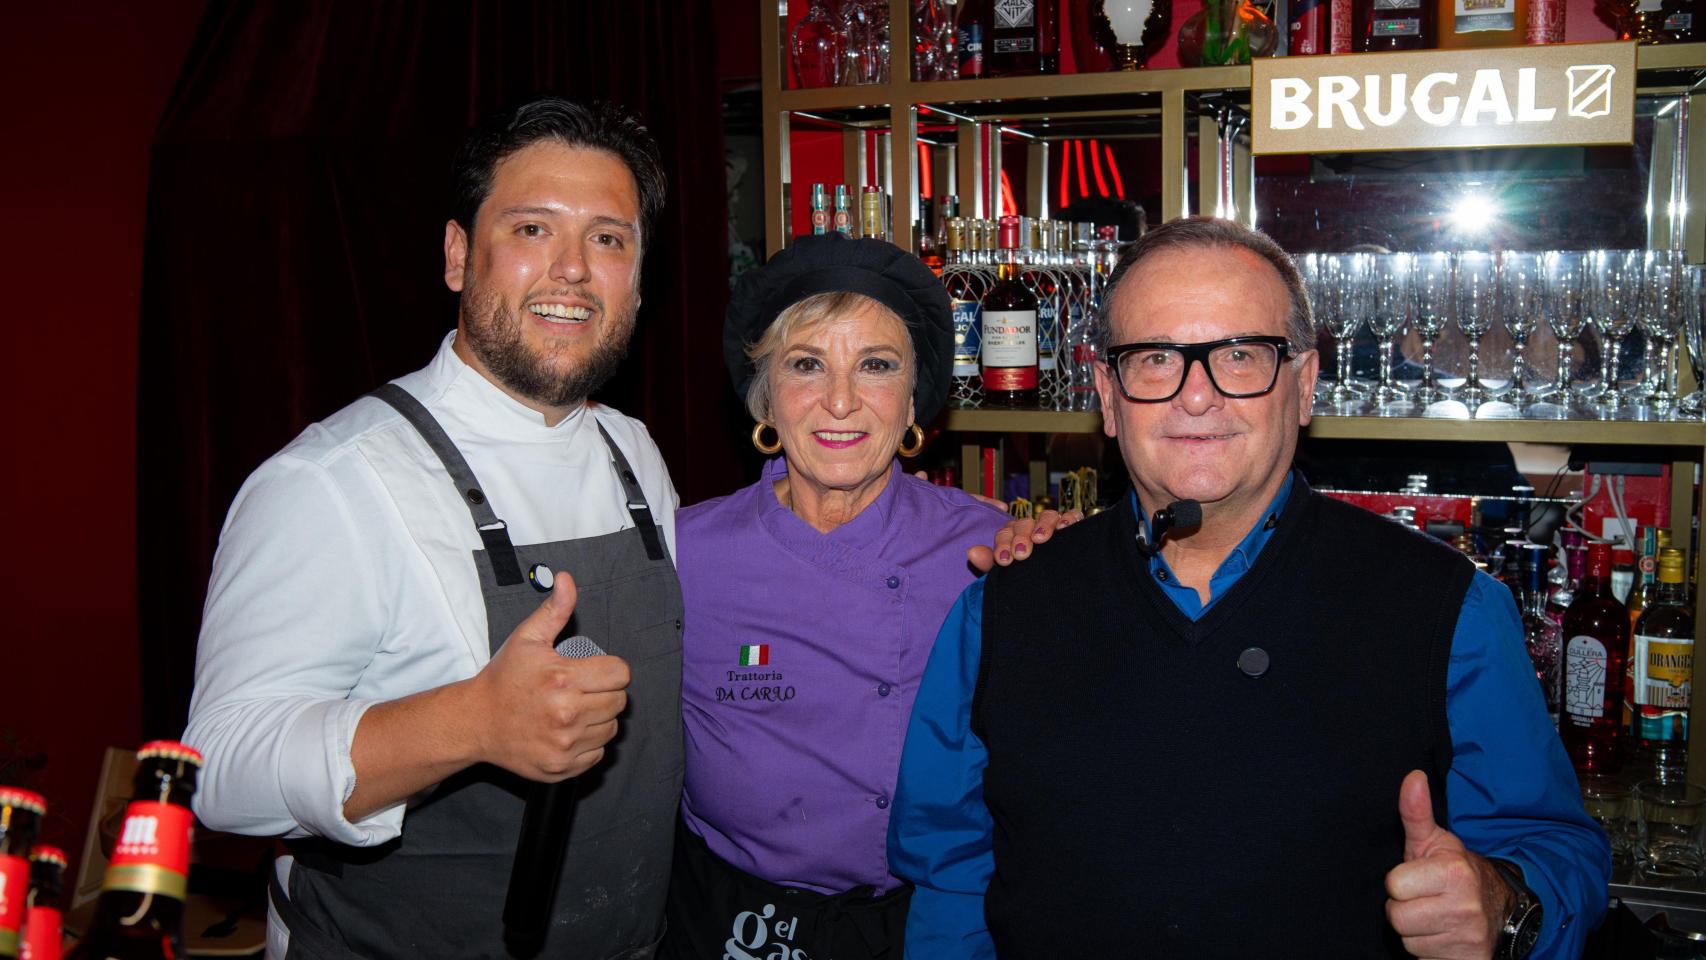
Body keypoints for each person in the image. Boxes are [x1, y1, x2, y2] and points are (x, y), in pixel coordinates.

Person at [889, 217, 1611, 960]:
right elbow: (950, 886)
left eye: (1240, 355)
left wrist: (1504, 903)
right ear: (1107, 395)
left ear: (1304, 385)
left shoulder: (1448, 610)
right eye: (1155, 358)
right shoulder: (1000, 610)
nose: (1197, 396)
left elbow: (1558, 850)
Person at [183, 97, 683, 958]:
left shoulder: (633, 452)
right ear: (458, 255)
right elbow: (220, 771)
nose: (572, 269)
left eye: (608, 239)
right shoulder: (334, 480)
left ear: (637, 278)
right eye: (533, 229)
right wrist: (472, 722)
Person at [660, 233, 1010, 958]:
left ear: (913, 402)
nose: (841, 401)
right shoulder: (686, 553)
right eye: (806, 365)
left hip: (928, 925)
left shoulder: (990, 551)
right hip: (735, 922)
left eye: (876, 365)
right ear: (765, 397)